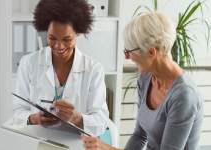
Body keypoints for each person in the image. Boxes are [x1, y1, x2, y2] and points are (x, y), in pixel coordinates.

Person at [81, 12, 204, 149]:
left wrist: (109, 148)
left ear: (151, 52)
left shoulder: (184, 95)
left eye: (129, 51)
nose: (127, 57)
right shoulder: (146, 78)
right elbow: (139, 136)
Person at [12, 0, 109, 137]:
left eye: (66, 39)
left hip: (76, 143)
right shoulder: (28, 63)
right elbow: (17, 111)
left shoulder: (93, 70)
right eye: (52, 38)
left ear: (78, 32)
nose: (59, 46)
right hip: (37, 140)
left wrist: (76, 118)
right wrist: (34, 118)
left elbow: (101, 121)